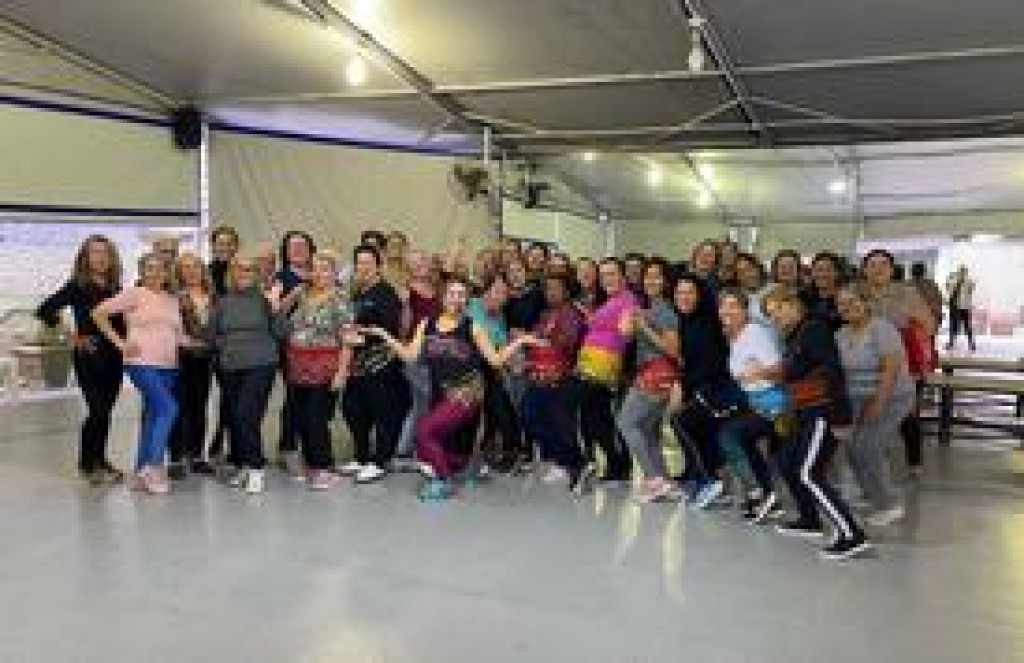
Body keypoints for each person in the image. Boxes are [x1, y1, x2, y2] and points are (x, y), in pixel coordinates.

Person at [363, 278, 541, 501]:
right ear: (443, 296)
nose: (456, 298)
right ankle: (467, 467)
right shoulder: (426, 324)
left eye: (461, 294)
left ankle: (444, 481)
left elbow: (495, 360)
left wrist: (520, 341)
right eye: (452, 293)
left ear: (466, 299)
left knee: (424, 433)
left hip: (467, 393)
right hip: (441, 393)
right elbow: (410, 355)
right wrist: (384, 335)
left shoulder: (472, 326)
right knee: (435, 443)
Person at [759, 286, 871, 561]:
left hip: (824, 412)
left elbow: (832, 372)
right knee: (786, 462)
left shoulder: (813, 330)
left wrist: (840, 417)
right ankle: (809, 519)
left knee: (809, 473)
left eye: (778, 309)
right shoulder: (795, 335)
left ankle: (852, 535)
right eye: (771, 315)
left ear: (793, 304)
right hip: (805, 413)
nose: (776, 318)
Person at [93, 253, 191, 495]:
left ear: (167, 273)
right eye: (149, 268)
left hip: (169, 366)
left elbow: (179, 336)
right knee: (169, 409)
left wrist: (207, 342)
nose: (155, 273)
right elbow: (98, 313)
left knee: (154, 416)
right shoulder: (134, 294)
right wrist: (120, 343)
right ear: (142, 272)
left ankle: (140, 473)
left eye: (160, 268)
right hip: (141, 363)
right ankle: (154, 467)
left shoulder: (172, 300)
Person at [36, 235, 126, 484]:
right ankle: (87, 464)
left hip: (114, 356)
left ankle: (100, 459)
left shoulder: (116, 287)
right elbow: (45, 309)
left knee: (106, 412)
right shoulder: (77, 285)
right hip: (89, 356)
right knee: (97, 411)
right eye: (95, 253)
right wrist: (72, 336)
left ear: (112, 257)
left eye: (105, 253)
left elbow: (121, 323)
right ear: (85, 258)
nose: (100, 258)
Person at [835, 283, 915, 526]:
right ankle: (871, 494)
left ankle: (889, 505)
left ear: (866, 303)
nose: (847, 307)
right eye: (841, 303)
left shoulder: (882, 328)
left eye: (853, 301)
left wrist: (879, 402)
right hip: (857, 397)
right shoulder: (840, 334)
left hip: (891, 397)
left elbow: (891, 369)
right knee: (852, 449)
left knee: (867, 448)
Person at [208, 254, 282, 494]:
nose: (244, 273)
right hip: (230, 366)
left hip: (262, 363)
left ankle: (257, 467)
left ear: (256, 274)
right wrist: (226, 346)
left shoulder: (264, 300)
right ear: (232, 273)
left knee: (246, 414)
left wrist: (276, 307)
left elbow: (282, 332)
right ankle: (244, 466)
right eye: (239, 269)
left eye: (249, 269)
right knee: (235, 418)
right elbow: (212, 335)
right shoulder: (223, 302)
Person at [280, 252, 353, 490]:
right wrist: (293, 294)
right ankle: (311, 464)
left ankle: (324, 467)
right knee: (300, 417)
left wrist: (342, 372)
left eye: (325, 269)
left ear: (334, 272)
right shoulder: (303, 294)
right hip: (298, 367)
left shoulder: (341, 298)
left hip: (325, 367)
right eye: (315, 269)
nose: (319, 274)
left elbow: (348, 338)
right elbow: (279, 312)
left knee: (317, 418)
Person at [340, 245, 411, 484]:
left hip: (381, 364)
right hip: (359, 365)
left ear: (378, 266)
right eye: (359, 262)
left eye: (368, 262)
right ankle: (361, 457)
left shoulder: (386, 293)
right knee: (353, 410)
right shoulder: (358, 293)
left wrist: (359, 337)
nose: (363, 267)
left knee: (383, 414)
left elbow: (388, 328)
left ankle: (380, 461)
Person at [861, 249, 936, 476]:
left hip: (905, 364)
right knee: (873, 412)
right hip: (870, 363)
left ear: (892, 269)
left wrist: (909, 331)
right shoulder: (858, 293)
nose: (878, 269)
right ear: (865, 269)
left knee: (907, 414)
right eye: (872, 264)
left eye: (883, 264)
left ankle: (914, 462)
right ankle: (874, 459)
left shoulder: (907, 293)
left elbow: (930, 325)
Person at [616, 259, 681, 503]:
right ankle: (665, 482)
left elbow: (673, 349)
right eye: (647, 276)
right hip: (656, 373)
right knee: (648, 431)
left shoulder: (664, 310)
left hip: (656, 372)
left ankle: (654, 480)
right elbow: (625, 333)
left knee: (626, 423)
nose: (650, 281)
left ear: (666, 281)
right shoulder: (652, 307)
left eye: (657, 276)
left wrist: (644, 326)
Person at [520, 273, 587, 491]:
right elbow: (534, 342)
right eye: (547, 288)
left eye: (555, 288)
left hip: (560, 377)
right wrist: (528, 341)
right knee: (529, 415)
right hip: (537, 375)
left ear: (566, 291)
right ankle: (559, 459)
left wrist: (542, 338)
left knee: (560, 423)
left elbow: (568, 342)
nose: (550, 292)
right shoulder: (545, 313)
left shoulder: (572, 314)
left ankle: (573, 464)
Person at [576, 258, 637, 482]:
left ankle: (619, 464)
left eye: (611, 274)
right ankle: (616, 465)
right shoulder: (612, 301)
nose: (606, 279)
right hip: (590, 366)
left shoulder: (627, 299)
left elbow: (626, 330)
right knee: (596, 417)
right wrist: (591, 318)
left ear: (623, 277)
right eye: (603, 275)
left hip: (601, 369)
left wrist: (626, 327)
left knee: (596, 419)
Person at [468, 273, 524, 472]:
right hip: (469, 367)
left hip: (491, 366)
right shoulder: (470, 306)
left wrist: (508, 363)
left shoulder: (499, 314)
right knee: (492, 406)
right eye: (497, 291)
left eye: (505, 293)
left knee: (500, 405)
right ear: (486, 291)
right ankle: (494, 447)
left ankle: (508, 449)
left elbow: (501, 344)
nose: (501, 297)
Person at [168, 253, 216, 479]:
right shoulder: (172, 297)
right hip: (179, 357)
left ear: (202, 269)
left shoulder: (214, 296)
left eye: (195, 266)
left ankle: (196, 455)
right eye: (185, 267)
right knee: (179, 408)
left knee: (199, 407)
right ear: (178, 272)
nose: (191, 271)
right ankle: (176, 457)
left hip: (205, 358)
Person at [274, 230, 316, 471]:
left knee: (315, 399)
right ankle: (288, 448)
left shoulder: (320, 273)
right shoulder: (281, 278)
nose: (298, 250)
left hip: (320, 348)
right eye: (293, 246)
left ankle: (312, 448)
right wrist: (293, 295)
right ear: (286, 252)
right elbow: (274, 312)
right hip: (292, 347)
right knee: (295, 397)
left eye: (303, 246)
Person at [394, 249, 442, 464]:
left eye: (423, 259)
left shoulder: (435, 288)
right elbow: (403, 329)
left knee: (423, 402)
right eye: (414, 262)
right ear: (408, 267)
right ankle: (413, 449)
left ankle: (405, 448)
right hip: (416, 350)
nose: (420, 264)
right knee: (424, 400)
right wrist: (405, 304)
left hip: (436, 350)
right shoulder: (405, 290)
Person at [807, 251, 845, 331]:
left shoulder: (846, 300)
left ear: (837, 273)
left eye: (828, 270)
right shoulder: (805, 298)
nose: (823, 274)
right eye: (819, 270)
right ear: (812, 273)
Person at [945, 265, 977, 352]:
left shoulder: (968, 282)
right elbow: (948, 288)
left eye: (964, 272)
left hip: (964, 307)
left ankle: (971, 343)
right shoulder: (954, 281)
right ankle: (951, 343)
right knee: (954, 326)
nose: (962, 274)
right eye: (961, 272)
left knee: (967, 326)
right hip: (956, 307)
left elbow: (971, 289)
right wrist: (951, 278)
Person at [910, 262, 943, 332]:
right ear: (924, 272)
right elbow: (939, 300)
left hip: (913, 321)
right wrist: (939, 315)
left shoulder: (908, 285)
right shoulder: (931, 284)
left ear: (912, 272)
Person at [209, 225, 240, 296]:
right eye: (221, 244)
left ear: (237, 246)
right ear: (213, 246)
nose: (225, 248)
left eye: (229, 244)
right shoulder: (207, 273)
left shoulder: (247, 270)